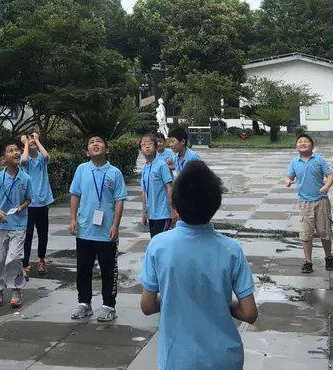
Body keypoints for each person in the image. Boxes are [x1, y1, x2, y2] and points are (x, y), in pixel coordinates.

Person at [140, 161, 258, 370]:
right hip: (224, 359)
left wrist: (172, 297)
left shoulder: (158, 245)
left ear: (175, 205)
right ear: (215, 205)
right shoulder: (231, 249)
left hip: (177, 359)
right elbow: (249, 313)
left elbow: (147, 306)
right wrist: (224, 302)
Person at [69, 134, 127, 323]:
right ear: (87, 151)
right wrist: (72, 219)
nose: (95, 144)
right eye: (91, 142)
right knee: (83, 269)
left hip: (106, 232)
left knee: (108, 270)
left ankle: (109, 305)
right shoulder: (81, 169)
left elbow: (119, 200)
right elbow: (75, 194)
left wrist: (115, 225)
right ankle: (84, 303)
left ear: (106, 149)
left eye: (99, 142)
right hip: (85, 229)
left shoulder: (115, 172)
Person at [0, 140, 33, 308]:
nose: (16, 152)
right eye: (11, 151)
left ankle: (16, 288)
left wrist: (22, 207)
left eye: (17, 150)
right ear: (4, 159)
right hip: (0, 225)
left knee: (14, 258)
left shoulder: (25, 178)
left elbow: (28, 198)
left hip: (18, 224)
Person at [284, 133, 333, 273]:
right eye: (300, 141)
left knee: (324, 232)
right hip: (304, 203)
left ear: (312, 146)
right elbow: (289, 176)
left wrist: (326, 186)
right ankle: (308, 262)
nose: (303, 143)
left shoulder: (318, 160)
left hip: (321, 202)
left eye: (306, 141)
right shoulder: (295, 162)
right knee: (306, 234)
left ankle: (328, 257)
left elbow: (330, 176)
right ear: (296, 146)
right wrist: (288, 181)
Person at [20, 130, 53, 278]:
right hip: (28, 204)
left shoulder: (41, 158)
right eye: (29, 139)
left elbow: (47, 156)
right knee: (27, 235)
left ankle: (41, 259)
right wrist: (26, 144)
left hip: (42, 202)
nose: (32, 141)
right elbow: (25, 161)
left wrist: (37, 141)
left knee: (43, 234)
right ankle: (25, 264)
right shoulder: (23, 159)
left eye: (33, 138)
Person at [140, 134, 175, 236]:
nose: (146, 146)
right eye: (143, 144)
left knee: (160, 243)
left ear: (155, 147)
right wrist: (144, 214)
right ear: (141, 149)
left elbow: (169, 187)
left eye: (150, 144)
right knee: (154, 242)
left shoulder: (161, 165)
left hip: (163, 214)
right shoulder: (144, 168)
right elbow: (144, 193)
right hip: (151, 214)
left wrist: (173, 210)